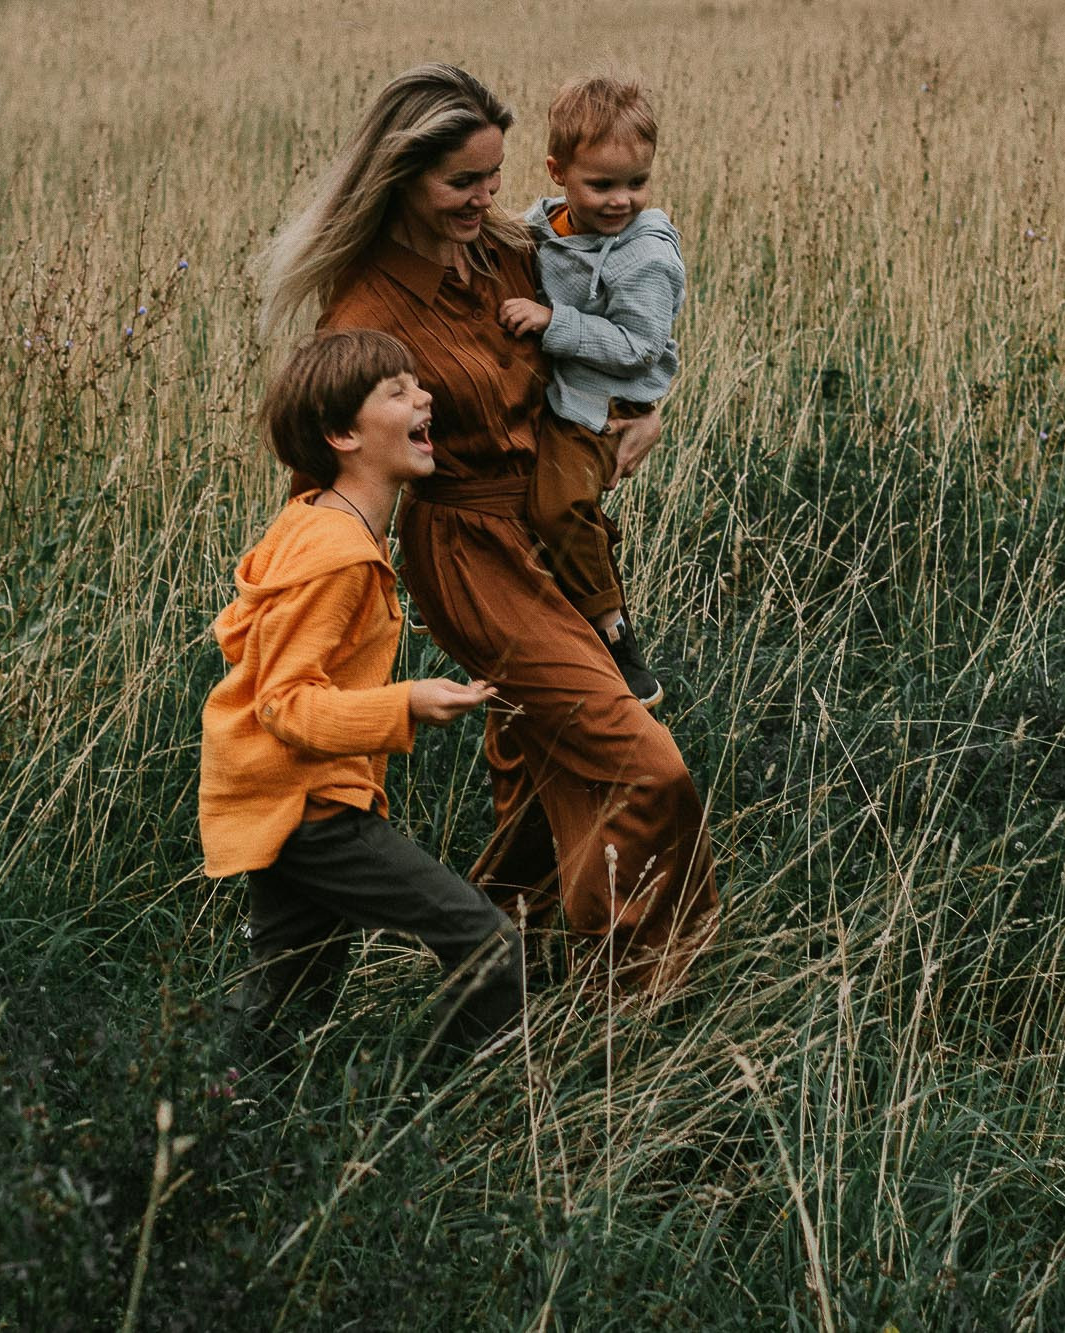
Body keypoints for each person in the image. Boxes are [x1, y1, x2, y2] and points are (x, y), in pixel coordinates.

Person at [255, 63, 717, 996]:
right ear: (401, 177)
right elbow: (323, 457)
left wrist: (646, 407)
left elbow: (617, 325)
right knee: (642, 761)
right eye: (462, 182)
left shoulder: (511, 251)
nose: (487, 199)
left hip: (555, 528)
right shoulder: (368, 310)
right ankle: (640, 993)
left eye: (495, 176)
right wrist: (311, 613)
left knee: (543, 776)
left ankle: (503, 981)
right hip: (471, 554)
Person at [198, 328, 520, 1051]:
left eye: (417, 383)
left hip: (288, 802)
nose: (424, 395)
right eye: (397, 391)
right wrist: (405, 702)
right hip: (311, 813)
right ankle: (438, 1114)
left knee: (283, 1004)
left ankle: (203, 1116)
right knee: (489, 946)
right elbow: (285, 703)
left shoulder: (315, 522)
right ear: (344, 433)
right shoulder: (339, 555)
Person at [496, 74, 683, 709]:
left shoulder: (645, 258)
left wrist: (555, 323)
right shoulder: (546, 224)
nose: (621, 201)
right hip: (563, 392)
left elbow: (640, 348)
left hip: (604, 407)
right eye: (601, 185)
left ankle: (613, 629)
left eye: (637, 183)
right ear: (557, 173)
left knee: (555, 507)